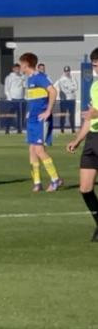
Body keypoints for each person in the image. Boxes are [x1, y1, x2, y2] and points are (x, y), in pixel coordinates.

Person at [66, 48, 98, 242]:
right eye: (94, 65)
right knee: (85, 188)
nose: (95, 68)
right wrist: (77, 140)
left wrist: (94, 113)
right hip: (92, 139)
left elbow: (94, 113)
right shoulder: (95, 86)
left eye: (97, 64)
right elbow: (90, 117)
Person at [19, 53, 62, 192]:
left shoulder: (40, 77)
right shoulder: (30, 79)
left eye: (21, 64)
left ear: (26, 64)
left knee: (39, 149)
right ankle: (37, 182)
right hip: (32, 119)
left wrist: (49, 110)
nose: (20, 67)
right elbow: (35, 99)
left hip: (40, 119)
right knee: (32, 149)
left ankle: (56, 179)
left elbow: (53, 92)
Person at [55, 65, 78, 133]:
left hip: (72, 99)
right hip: (64, 100)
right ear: (64, 72)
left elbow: (76, 87)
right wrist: (71, 88)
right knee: (63, 115)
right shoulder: (61, 79)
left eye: (68, 71)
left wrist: (69, 88)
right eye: (66, 71)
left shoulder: (73, 78)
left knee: (72, 115)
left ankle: (73, 129)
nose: (67, 72)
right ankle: (62, 129)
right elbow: (63, 90)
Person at [4, 64, 25, 135]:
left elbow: (25, 87)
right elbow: (6, 89)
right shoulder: (9, 77)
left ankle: (19, 130)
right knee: (10, 115)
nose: (17, 70)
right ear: (13, 69)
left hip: (21, 99)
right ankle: (7, 129)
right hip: (12, 99)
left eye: (18, 68)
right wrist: (10, 98)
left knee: (21, 116)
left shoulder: (22, 77)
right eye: (16, 68)